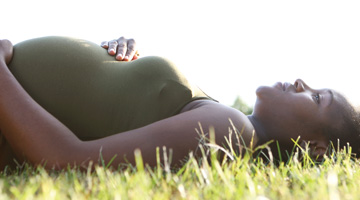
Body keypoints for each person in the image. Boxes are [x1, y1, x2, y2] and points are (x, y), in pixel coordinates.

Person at [0, 36, 358, 171]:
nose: (300, 82)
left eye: (316, 97)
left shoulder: (230, 131)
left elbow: (66, 159)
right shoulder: (223, 118)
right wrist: (113, 62)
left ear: (315, 149)